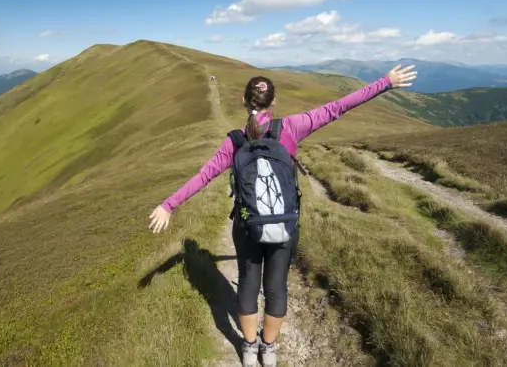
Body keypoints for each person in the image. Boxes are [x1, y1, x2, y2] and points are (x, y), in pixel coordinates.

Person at [147, 64, 418, 367]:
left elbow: (204, 175)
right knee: (276, 286)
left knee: (249, 283)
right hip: (284, 225)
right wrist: (385, 82)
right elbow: (339, 107)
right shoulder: (291, 127)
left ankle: (248, 350)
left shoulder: (234, 141)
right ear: (273, 103)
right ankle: (269, 349)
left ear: (244, 102)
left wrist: (168, 205)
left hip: (247, 227)